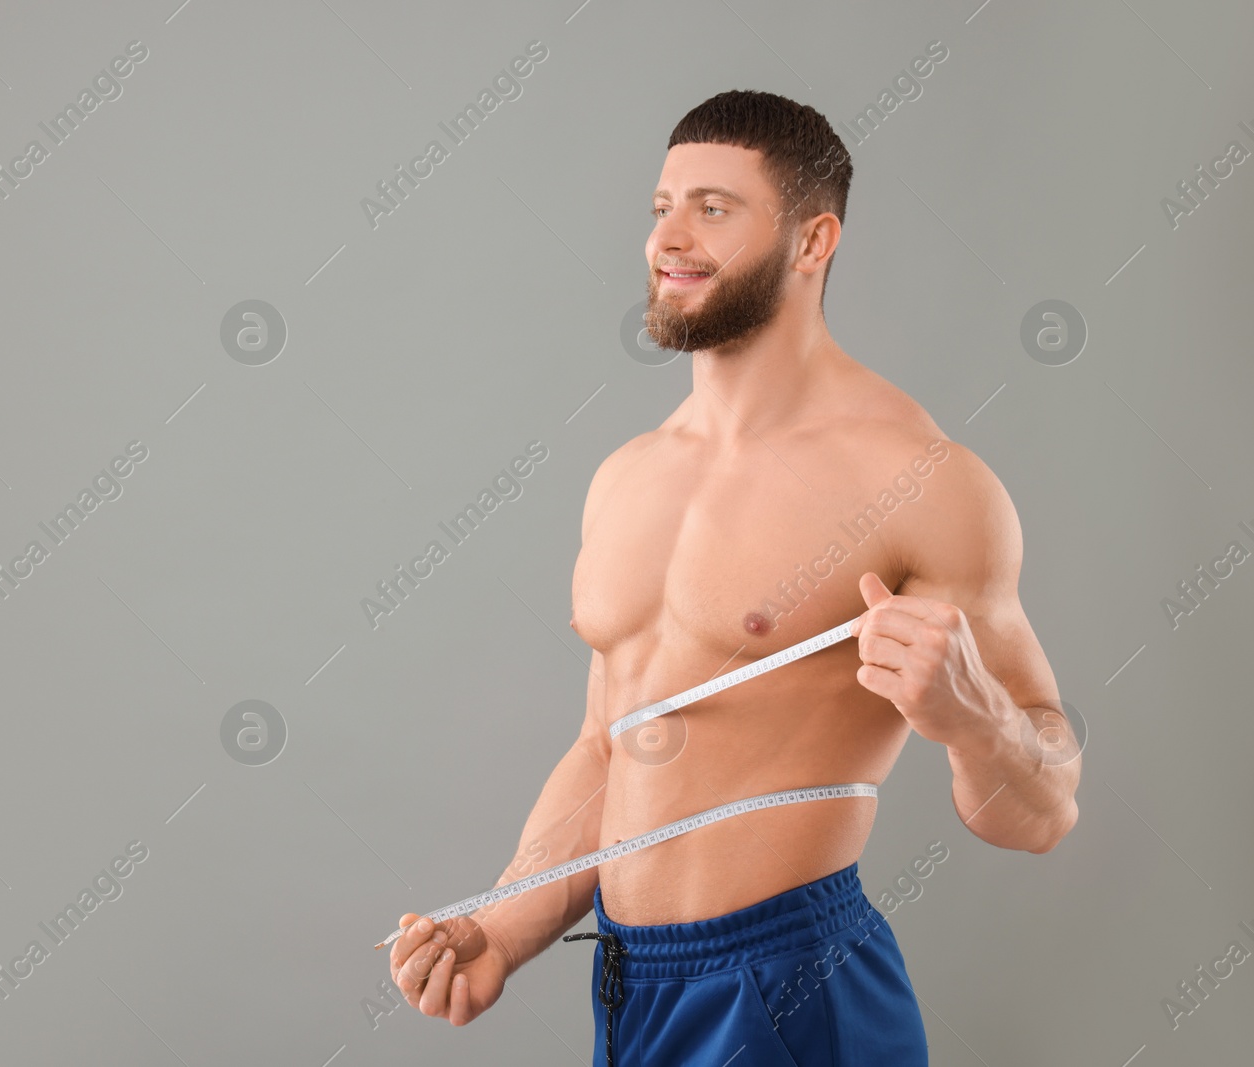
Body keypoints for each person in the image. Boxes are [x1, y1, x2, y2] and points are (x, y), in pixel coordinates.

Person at [387, 89, 1081, 1065]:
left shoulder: (917, 481)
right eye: (660, 205)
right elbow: (608, 746)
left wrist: (973, 716)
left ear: (811, 241)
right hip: (634, 983)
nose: (668, 236)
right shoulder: (627, 476)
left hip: (792, 987)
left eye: (712, 207)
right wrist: (503, 922)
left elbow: (1045, 807)